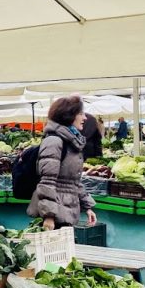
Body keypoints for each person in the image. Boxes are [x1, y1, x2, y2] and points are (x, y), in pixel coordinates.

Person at [28, 96, 98, 230]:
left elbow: (72, 182)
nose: (85, 118)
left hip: (67, 211)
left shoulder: (72, 143)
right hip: (54, 215)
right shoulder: (54, 142)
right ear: (69, 115)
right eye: (81, 113)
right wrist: (49, 216)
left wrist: (87, 207)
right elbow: (47, 182)